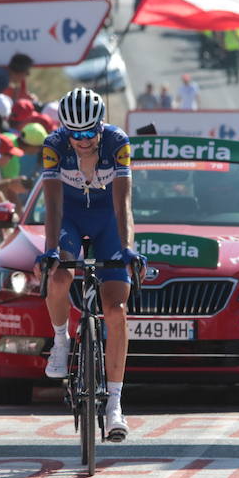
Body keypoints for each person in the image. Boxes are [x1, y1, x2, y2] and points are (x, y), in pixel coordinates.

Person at [34, 87, 146, 442]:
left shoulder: (117, 143)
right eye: (74, 133)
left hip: (108, 221)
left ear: (100, 125)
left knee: (116, 309)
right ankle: (61, 340)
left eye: (88, 132)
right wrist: (52, 249)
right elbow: (51, 205)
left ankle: (114, 405)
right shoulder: (54, 145)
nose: (81, 140)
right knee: (59, 274)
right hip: (69, 218)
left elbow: (123, 203)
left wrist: (127, 248)